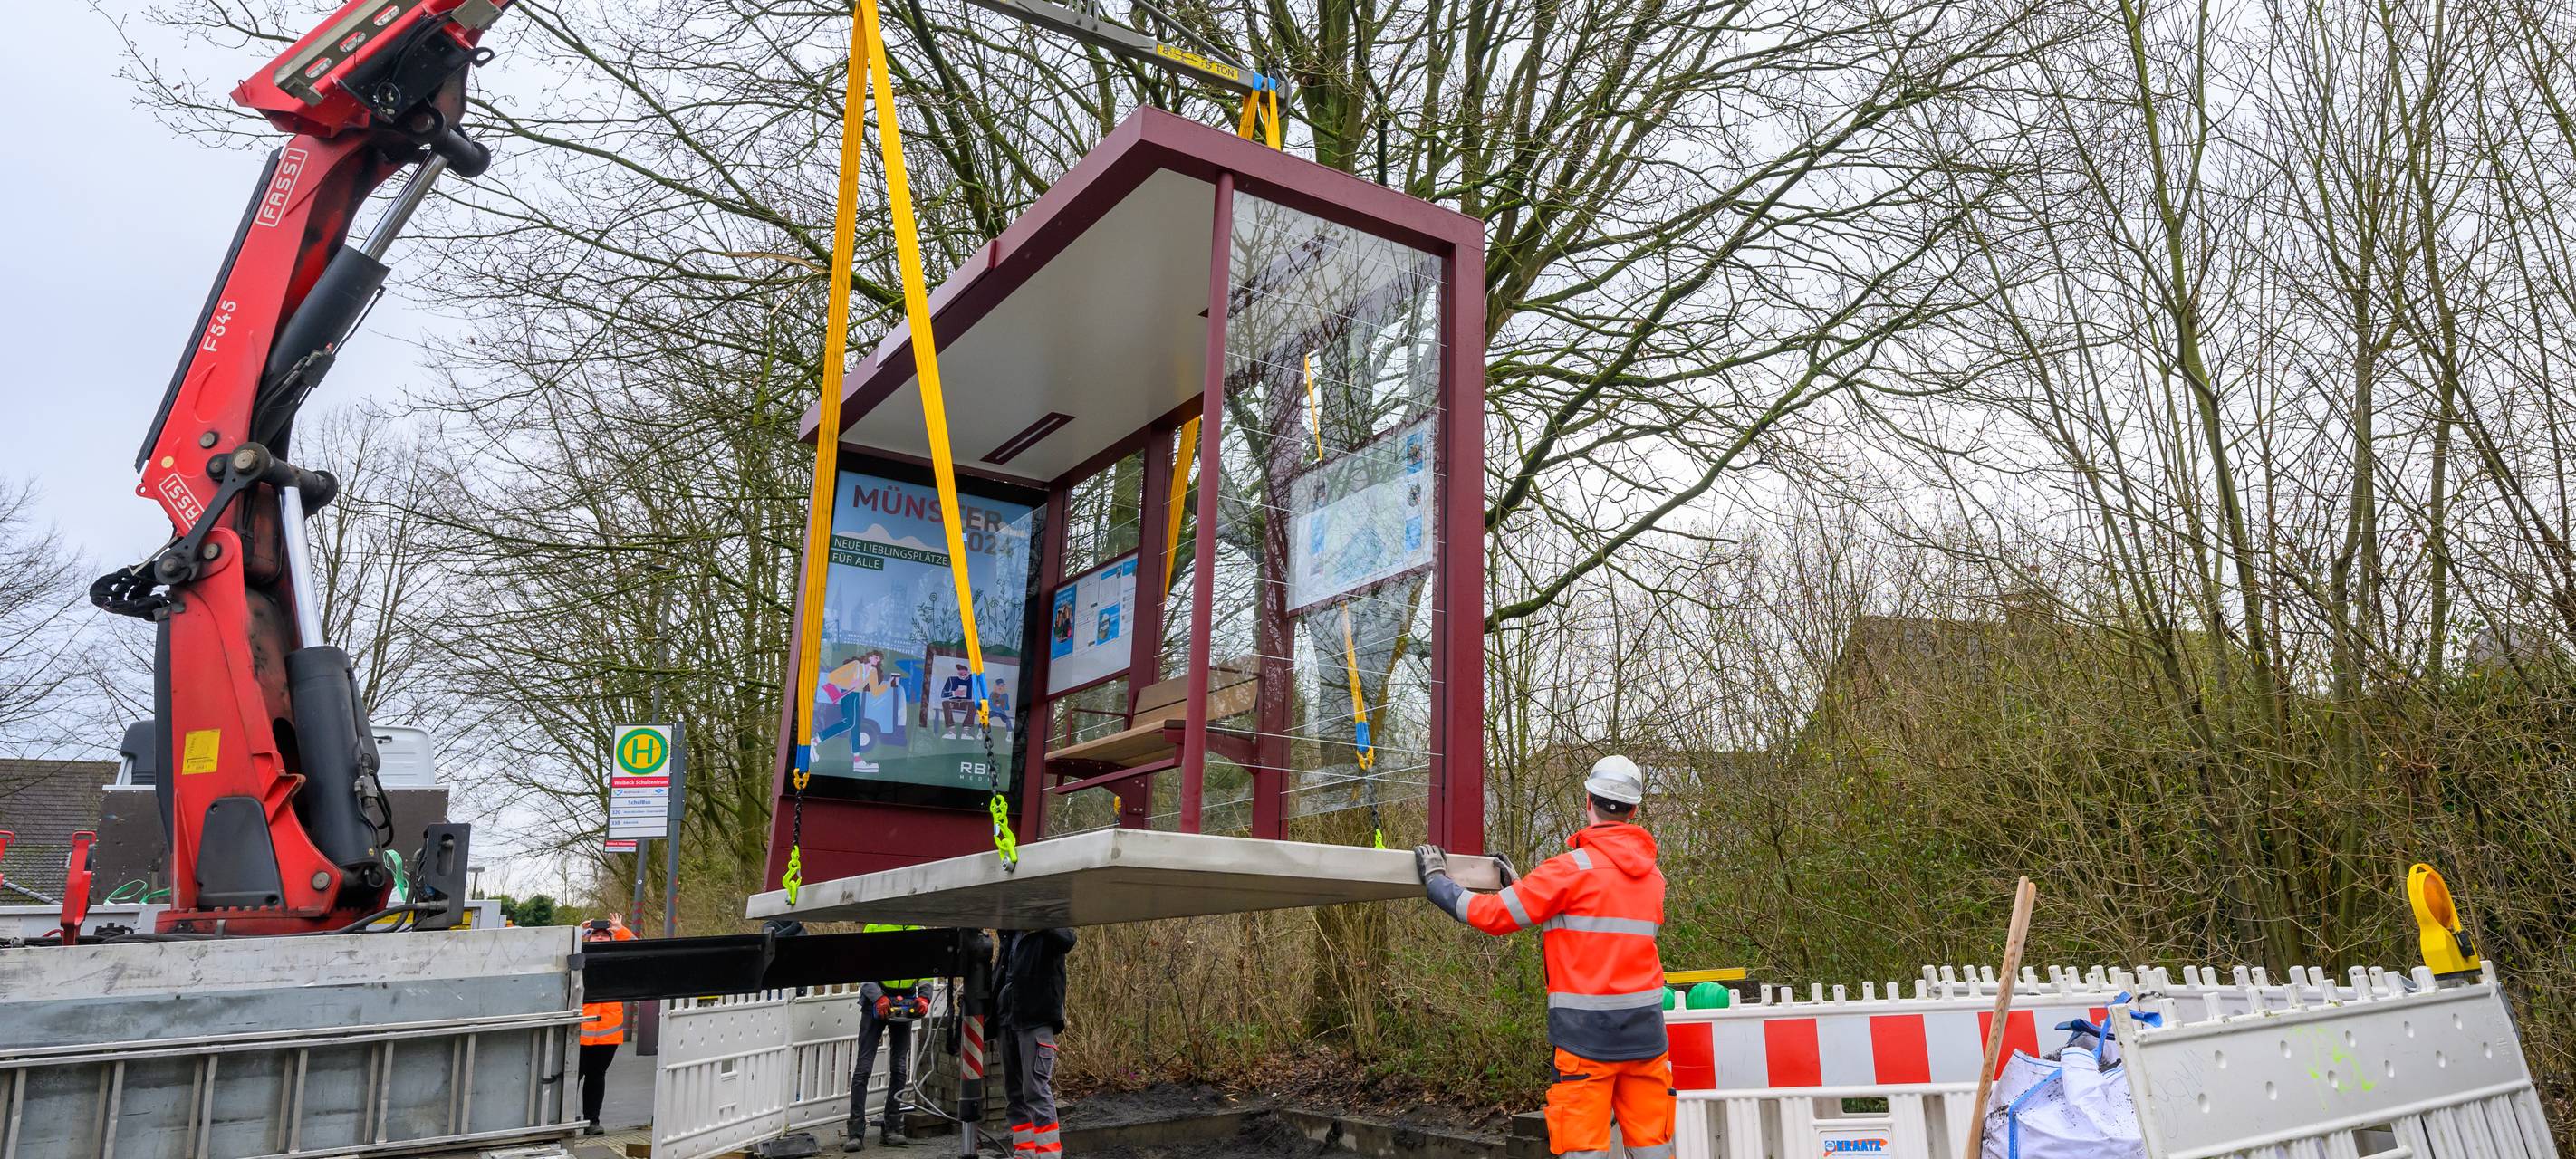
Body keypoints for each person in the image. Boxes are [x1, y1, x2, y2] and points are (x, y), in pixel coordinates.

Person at [1415, 756, 1671, 1159]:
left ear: (1588, 801)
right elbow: (1596, 923)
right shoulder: (1653, 879)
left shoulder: (1568, 871)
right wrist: (1521, 886)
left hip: (1586, 1039)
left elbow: (1494, 916)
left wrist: (1437, 885)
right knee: (1654, 1145)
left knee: (1583, 1148)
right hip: (1646, 1036)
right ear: (1634, 811)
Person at [995, 927, 1077, 1159]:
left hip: (1035, 1019)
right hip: (1009, 1018)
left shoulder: (1049, 934)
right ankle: (1025, 1152)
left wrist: (1041, 921)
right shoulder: (1010, 936)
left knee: (1034, 1090)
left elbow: (1068, 939)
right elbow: (1002, 974)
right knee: (1014, 1093)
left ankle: (1049, 1155)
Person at [845, 922, 924, 1152]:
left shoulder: (917, 931)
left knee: (899, 1068)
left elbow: (926, 970)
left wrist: (925, 997)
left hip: (905, 1001)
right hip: (875, 1003)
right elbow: (862, 967)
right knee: (863, 1069)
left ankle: (892, 1128)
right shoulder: (874, 926)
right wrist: (877, 996)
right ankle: (855, 1132)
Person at [578, 915, 639, 1135]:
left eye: (605, 935)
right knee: (571, 1076)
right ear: (587, 939)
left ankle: (591, 1121)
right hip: (579, 1031)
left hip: (607, 1035)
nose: (601, 938)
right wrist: (578, 931)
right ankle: (562, 1121)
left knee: (596, 1076)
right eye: (596, 935)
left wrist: (621, 930)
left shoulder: (617, 959)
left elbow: (639, 954)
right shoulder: (578, 956)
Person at [939, 664, 976, 738]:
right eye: (960, 673)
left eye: (965, 674)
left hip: (966, 703)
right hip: (954, 702)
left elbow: (978, 673)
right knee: (945, 703)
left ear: (968, 673)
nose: (963, 675)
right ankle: (951, 730)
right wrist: (954, 693)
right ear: (957, 673)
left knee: (974, 704)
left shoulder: (971, 680)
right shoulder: (951, 679)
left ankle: (965, 731)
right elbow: (943, 694)